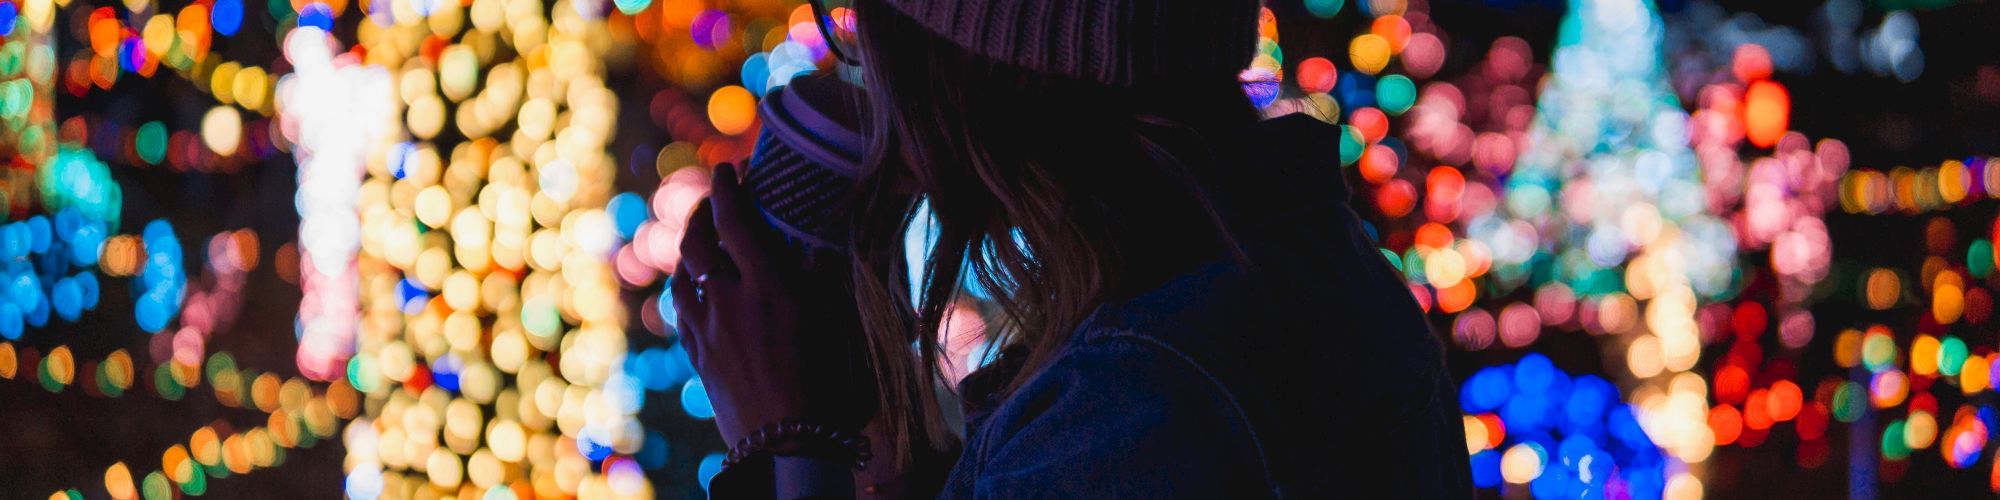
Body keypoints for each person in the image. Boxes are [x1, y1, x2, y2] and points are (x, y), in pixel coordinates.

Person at [671, 0, 1473, 497]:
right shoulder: (1298, 269)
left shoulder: (1134, 403)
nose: (869, 81)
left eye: (870, 30)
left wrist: (784, 445)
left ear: (973, 63)